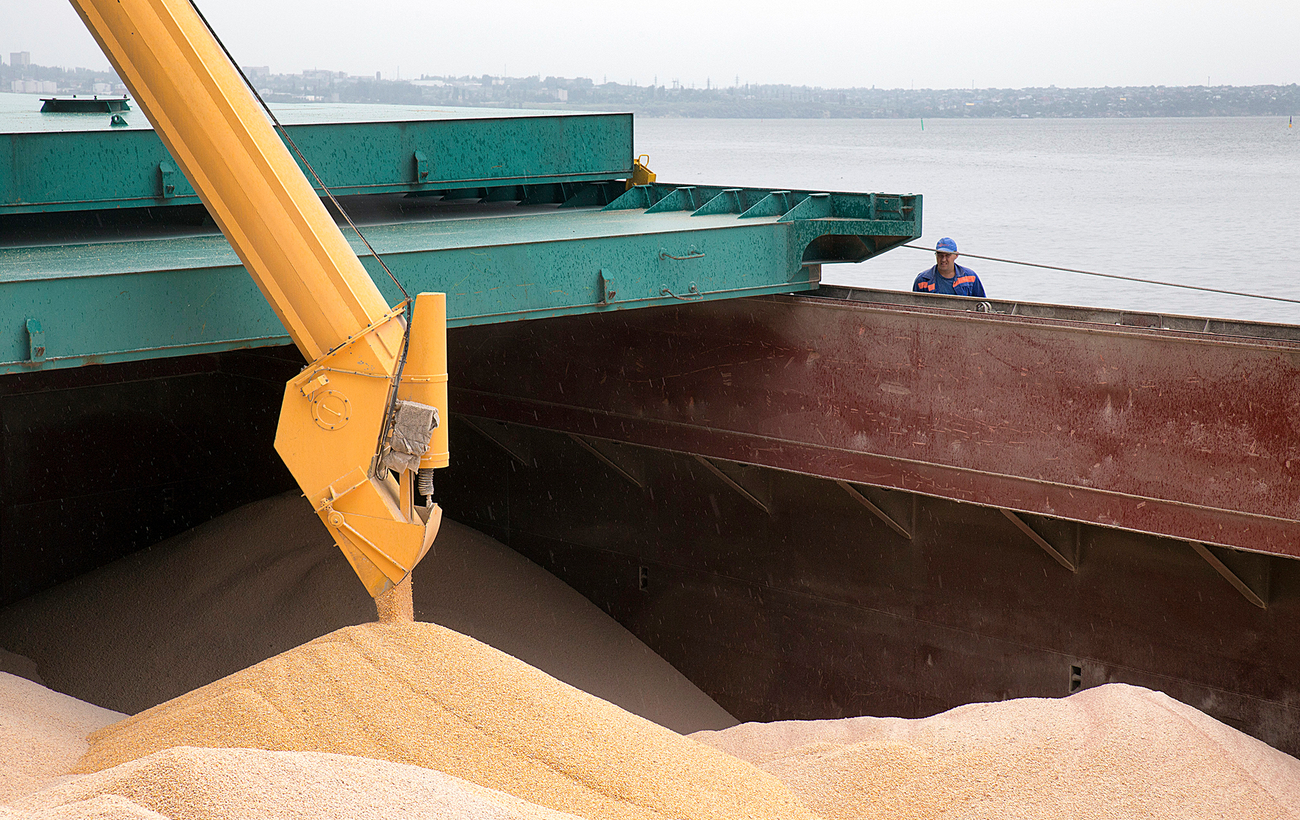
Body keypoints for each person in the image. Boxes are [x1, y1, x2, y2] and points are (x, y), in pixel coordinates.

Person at [913, 237, 985, 297]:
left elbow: (982, 304)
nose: (943, 259)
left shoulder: (971, 277)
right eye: (940, 255)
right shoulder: (922, 280)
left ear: (956, 255)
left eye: (947, 255)